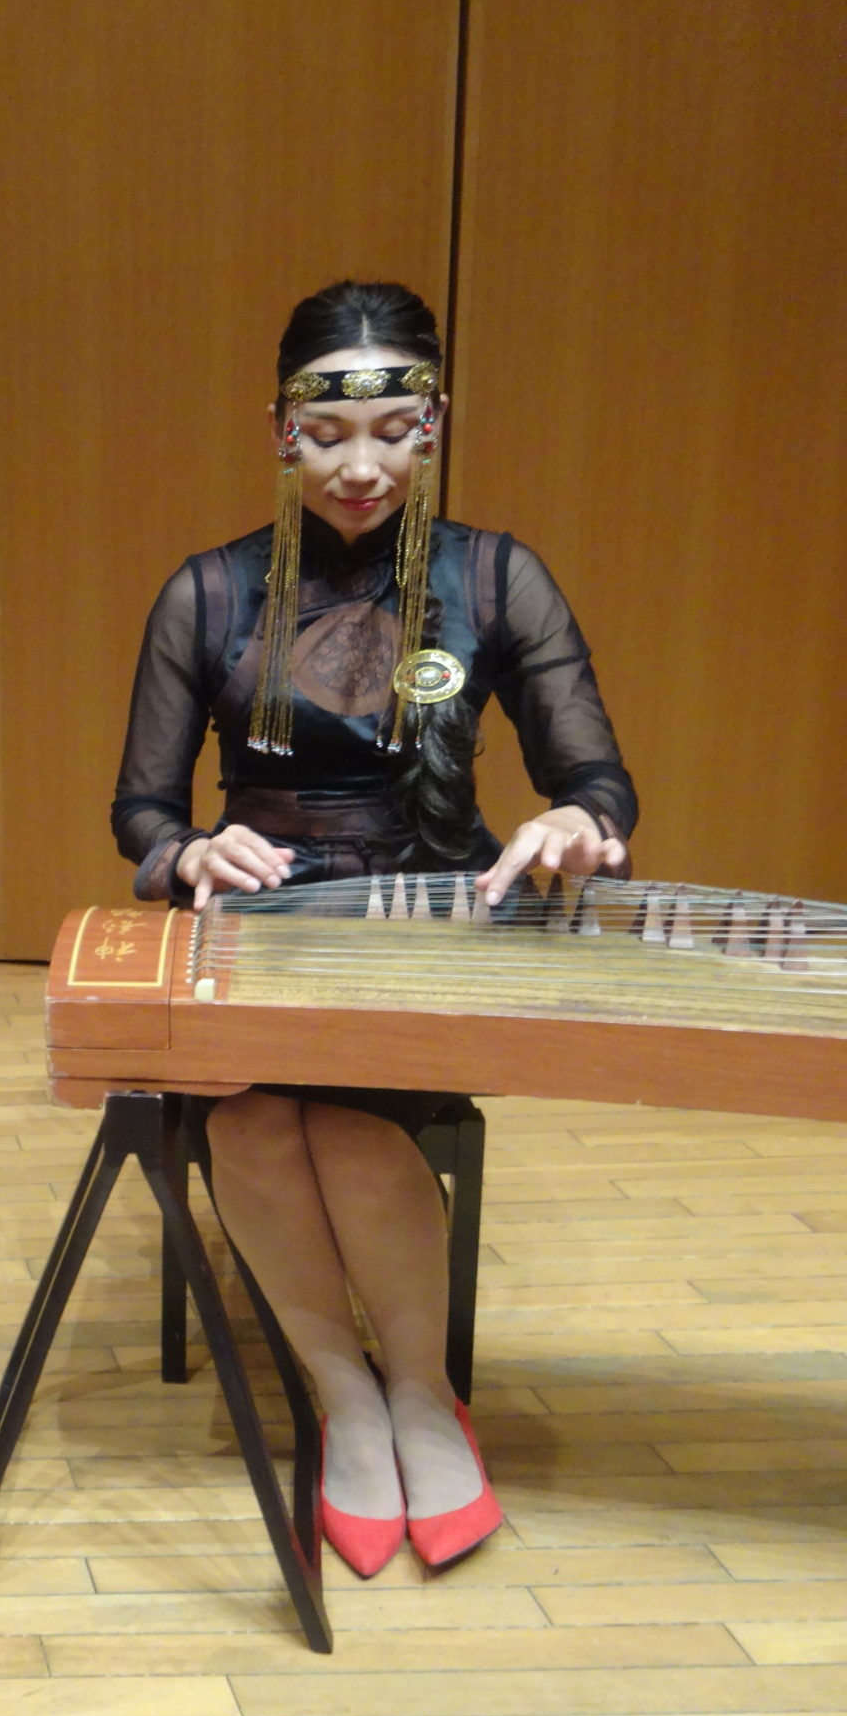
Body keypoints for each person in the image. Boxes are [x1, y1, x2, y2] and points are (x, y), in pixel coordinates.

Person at [111, 281, 635, 1575]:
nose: (361, 467)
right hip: (264, 919)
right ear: (280, 430)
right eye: (328, 433)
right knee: (249, 1120)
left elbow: (592, 777)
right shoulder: (208, 593)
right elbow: (142, 810)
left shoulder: (497, 577)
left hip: (430, 916)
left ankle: (420, 1392)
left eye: (394, 432)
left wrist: (573, 824)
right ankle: (342, 1393)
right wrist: (189, 852)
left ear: (433, 423)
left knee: (344, 1126)